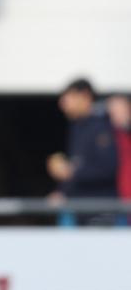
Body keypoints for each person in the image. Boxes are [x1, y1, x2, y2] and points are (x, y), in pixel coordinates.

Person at [47, 79, 117, 225]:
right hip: (80, 214)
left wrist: (71, 172)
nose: (63, 103)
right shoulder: (77, 127)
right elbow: (77, 164)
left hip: (100, 214)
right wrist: (63, 192)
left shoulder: (102, 125)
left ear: (85, 96)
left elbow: (108, 168)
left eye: (69, 97)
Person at [106, 94, 131, 216]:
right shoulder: (110, 136)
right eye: (111, 112)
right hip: (119, 201)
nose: (114, 117)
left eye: (117, 110)